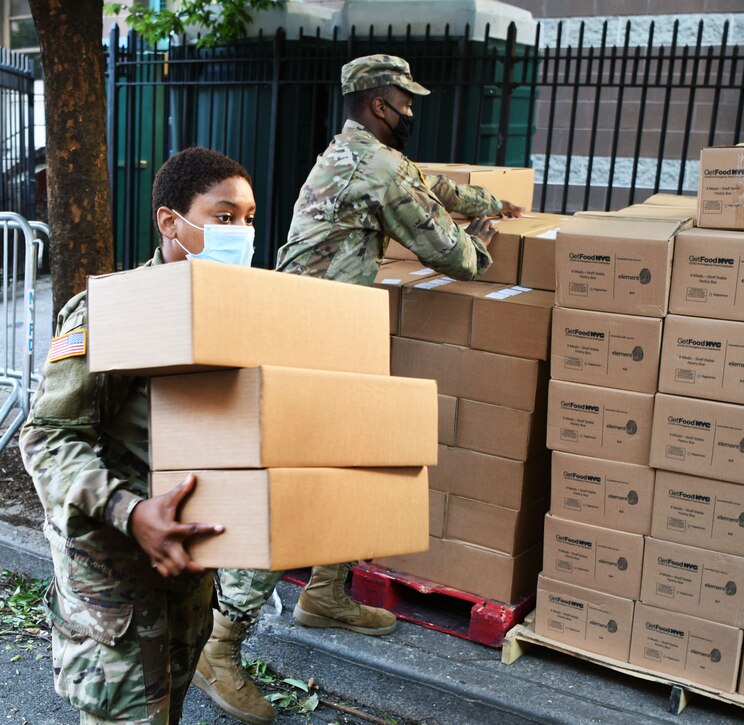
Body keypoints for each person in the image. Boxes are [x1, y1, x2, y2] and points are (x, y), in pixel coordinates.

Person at [201, 54, 525, 724]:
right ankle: (220, 646)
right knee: (291, 494)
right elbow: (454, 254)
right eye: (405, 102)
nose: (411, 111)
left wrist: (491, 201)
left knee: (347, 469)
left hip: (325, 334)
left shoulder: (349, 154)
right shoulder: (377, 165)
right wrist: (488, 238)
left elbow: (429, 184)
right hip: (310, 346)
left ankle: (325, 592)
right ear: (381, 104)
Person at [19, 146, 256, 725]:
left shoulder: (242, 313)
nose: (241, 233)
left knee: (167, 708)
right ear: (171, 222)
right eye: (224, 217)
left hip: (188, 558)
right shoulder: (111, 313)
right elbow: (45, 438)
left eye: (249, 219)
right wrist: (130, 511)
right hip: (115, 570)